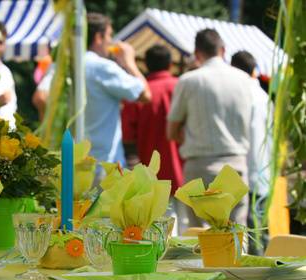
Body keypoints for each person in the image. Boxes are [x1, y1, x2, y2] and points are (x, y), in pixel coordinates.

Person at [167, 29, 253, 228]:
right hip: (236, 163)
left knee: (200, 238)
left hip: (199, 165)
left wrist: (192, 137)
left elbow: (171, 131)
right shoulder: (244, 80)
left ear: (197, 54)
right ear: (223, 49)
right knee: (237, 232)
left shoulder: (189, 81)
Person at [121, 45, 185, 234]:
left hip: (151, 169)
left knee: (161, 226)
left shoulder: (139, 93)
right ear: (170, 64)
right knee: (190, 227)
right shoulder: (181, 86)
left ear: (146, 65)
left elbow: (127, 134)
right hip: (185, 166)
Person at [84, 12, 151, 165]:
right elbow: (145, 94)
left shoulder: (70, 64)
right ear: (98, 38)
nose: (111, 41)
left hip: (74, 159)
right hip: (104, 161)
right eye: (109, 35)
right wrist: (129, 62)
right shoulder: (102, 66)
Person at [231, 50, 272, 254]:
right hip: (264, 170)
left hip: (244, 169)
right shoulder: (264, 96)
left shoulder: (238, 93)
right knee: (261, 230)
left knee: (246, 233)